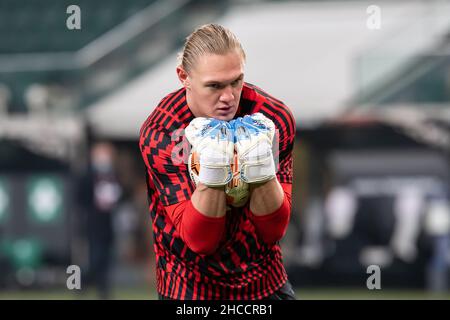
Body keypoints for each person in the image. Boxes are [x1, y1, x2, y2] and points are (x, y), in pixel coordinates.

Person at [139, 23, 296, 300]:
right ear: (184, 77)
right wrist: (214, 168)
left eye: (236, 81)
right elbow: (201, 241)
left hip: (264, 282)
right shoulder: (161, 130)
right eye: (214, 85)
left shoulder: (273, 117)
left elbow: (273, 231)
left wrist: (262, 170)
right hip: (188, 288)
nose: (228, 97)